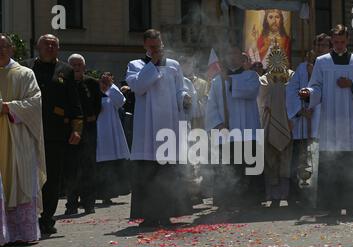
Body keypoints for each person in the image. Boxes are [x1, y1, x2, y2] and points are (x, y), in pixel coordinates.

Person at [299, 25, 353, 217]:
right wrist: (308, 93)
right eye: (335, 42)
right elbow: (315, 86)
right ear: (331, 41)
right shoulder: (322, 61)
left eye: (342, 42)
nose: (339, 45)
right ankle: (332, 206)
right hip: (331, 119)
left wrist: (352, 84)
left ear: (348, 40)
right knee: (332, 162)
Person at [126, 29, 191, 228]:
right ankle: (149, 215)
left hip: (169, 126)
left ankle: (167, 213)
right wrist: (153, 65)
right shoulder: (135, 65)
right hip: (147, 129)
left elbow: (181, 88)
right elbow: (138, 87)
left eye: (158, 46)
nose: (155, 50)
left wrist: (185, 98)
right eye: (152, 46)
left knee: (168, 173)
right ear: (145, 45)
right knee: (148, 173)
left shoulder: (173, 65)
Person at [21, 34, 83, 235]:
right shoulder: (26, 68)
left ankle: (47, 218)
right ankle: (25, 217)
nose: (50, 47)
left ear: (58, 48)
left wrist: (76, 129)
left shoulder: (66, 70)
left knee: (52, 178)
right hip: (27, 132)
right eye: (46, 44)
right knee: (27, 176)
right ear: (38, 47)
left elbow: (75, 104)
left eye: (53, 45)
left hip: (55, 134)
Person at [0, 34, 46, 245]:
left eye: (3, 46)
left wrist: (8, 107)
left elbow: (35, 103)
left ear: (11, 49)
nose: (0, 50)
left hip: (19, 138)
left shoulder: (25, 74)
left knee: (21, 181)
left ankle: (21, 233)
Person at [206, 45, 264, 209]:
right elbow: (211, 106)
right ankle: (227, 199)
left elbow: (251, 92)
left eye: (235, 53)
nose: (231, 57)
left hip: (248, 131)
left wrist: (230, 81)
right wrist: (218, 124)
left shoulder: (251, 76)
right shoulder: (217, 81)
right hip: (227, 132)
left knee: (250, 165)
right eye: (228, 53)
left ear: (242, 57)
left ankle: (252, 199)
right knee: (229, 166)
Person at [286, 33, 331, 208]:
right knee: (302, 160)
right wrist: (300, 110)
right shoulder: (302, 68)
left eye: (324, 45)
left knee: (323, 159)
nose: (320, 48)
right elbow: (292, 91)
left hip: (324, 118)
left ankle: (322, 196)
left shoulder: (331, 66)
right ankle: (300, 196)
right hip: (305, 120)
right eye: (318, 45)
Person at [64, 54, 102, 215]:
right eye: (73, 64)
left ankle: (89, 203)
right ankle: (71, 203)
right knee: (71, 167)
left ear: (84, 66)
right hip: (69, 130)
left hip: (88, 129)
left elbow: (97, 104)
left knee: (88, 167)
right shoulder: (64, 82)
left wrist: (91, 116)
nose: (76, 67)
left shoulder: (91, 83)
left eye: (79, 64)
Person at [258, 51, 294, 205]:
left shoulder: (291, 76)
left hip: (288, 121)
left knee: (286, 159)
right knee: (270, 159)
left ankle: (284, 193)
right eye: (275, 59)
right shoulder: (264, 79)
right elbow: (260, 97)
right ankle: (273, 195)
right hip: (269, 122)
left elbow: (294, 95)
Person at [95, 72, 131, 204]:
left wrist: (110, 86)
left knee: (111, 165)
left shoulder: (112, 93)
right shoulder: (94, 92)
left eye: (107, 81)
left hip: (111, 134)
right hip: (98, 132)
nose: (104, 84)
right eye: (102, 81)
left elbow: (121, 102)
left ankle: (108, 195)